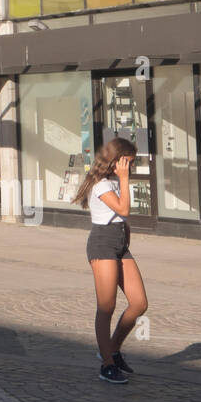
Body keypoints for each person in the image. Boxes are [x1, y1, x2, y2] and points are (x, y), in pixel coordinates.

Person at [72, 137, 148, 384]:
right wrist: (124, 180)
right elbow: (124, 209)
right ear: (117, 160)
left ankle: (112, 349)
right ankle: (106, 364)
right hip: (102, 243)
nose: (131, 167)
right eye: (129, 162)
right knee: (106, 306)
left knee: (139, 303)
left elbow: (122, 216)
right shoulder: (101, 185)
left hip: (119, 244)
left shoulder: (114, 182)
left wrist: (126, 232)